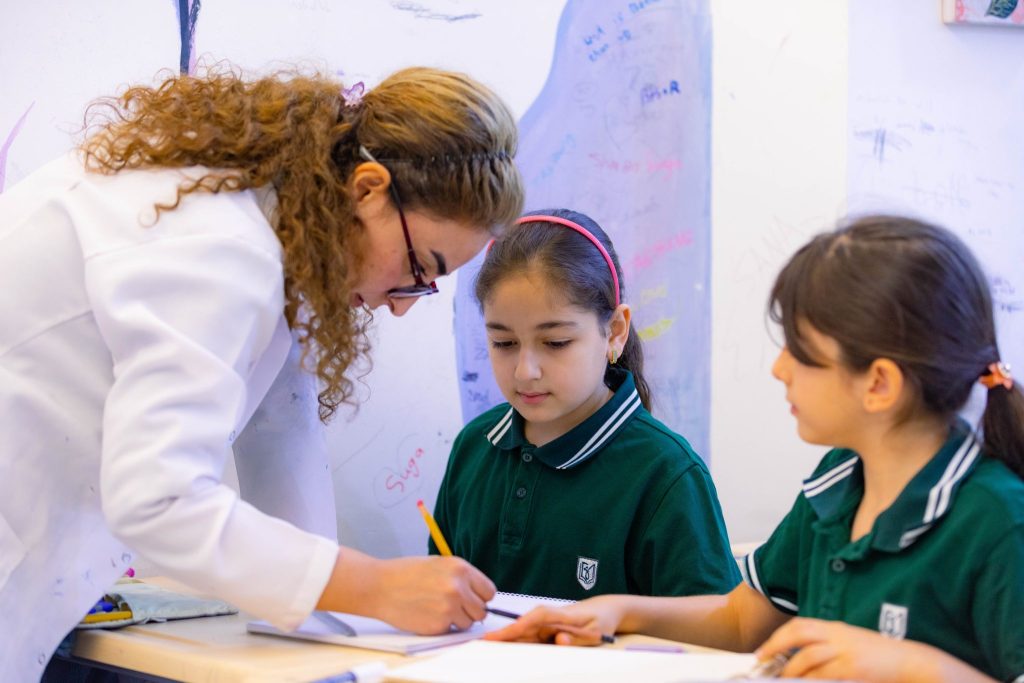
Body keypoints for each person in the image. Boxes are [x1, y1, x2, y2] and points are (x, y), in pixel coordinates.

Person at [0, 65, 524, 680]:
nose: (406, 302)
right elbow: (158, 500)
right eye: (419, 266)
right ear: (368, 190)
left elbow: (281, 428)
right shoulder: (218, 246)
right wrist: (375, 586)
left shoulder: (274, 229)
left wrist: (337, 632)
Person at [487, 216, 1024, 683]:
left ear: (878, 383)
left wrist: (907, 665)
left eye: (801, 352)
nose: (778, 369)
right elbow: (742, 621)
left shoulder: (998, 522)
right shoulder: (838, 483)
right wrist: (616, 610)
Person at [429, 209, 739, 599]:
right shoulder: (474, 445)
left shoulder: (667, 474)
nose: (525, 371)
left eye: (556, 343)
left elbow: (715, 633)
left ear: (614, 332)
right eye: (504, 343)